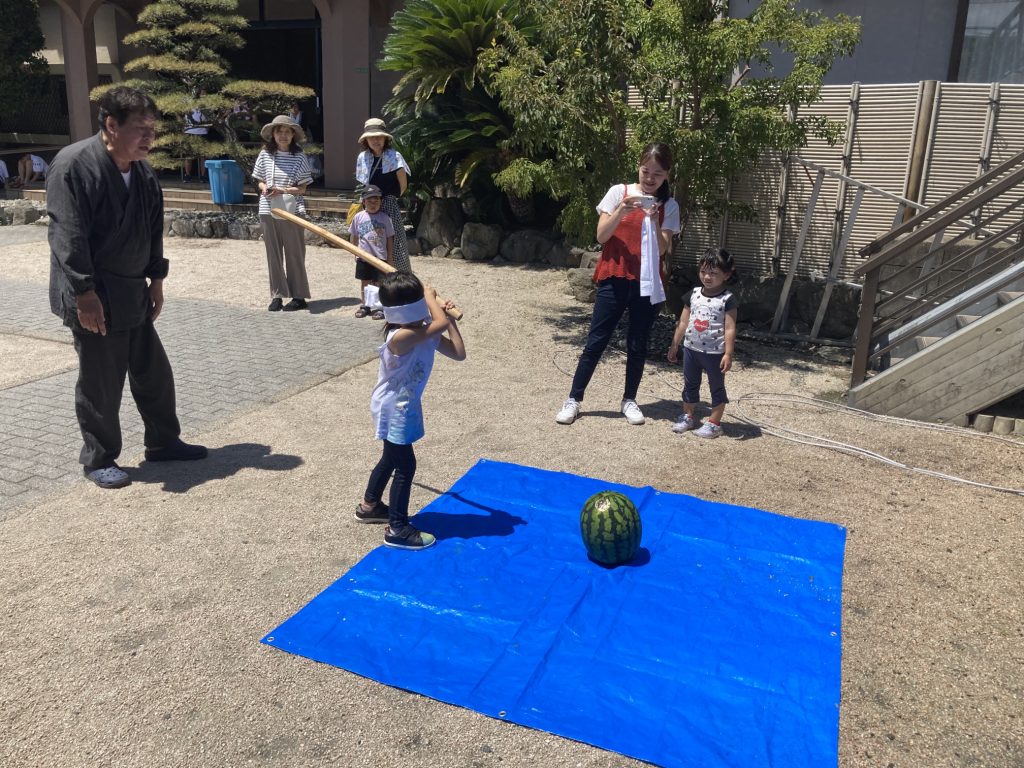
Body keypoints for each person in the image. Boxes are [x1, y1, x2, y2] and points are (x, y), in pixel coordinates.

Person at [47, 86, 207, 490]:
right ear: (111, 125)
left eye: (153, 128)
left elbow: (153, 229)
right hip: (94, 295)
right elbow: (68, 236)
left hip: (133, 290)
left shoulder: (143, 170)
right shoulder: (74, 166)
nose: (150, 137)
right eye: (141, 128)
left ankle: (163, 441)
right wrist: (83, 293)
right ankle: (99, 458)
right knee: (102, 380)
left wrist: (157, 279)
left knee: (153, 373)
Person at [555, 142, 681, 426]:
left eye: (657, 174)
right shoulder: (618, 193)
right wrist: (623, 211)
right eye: (645, 171)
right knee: (596, 340)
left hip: (647, 283)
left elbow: (662, 249)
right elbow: (601, 236)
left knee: (638, 342)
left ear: (667, 175)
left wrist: (653, 219)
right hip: (615, 275)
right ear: (638, 166)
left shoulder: (668, 205)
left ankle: (630, 400)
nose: (650, 178)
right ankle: (574, 398)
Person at [355, 272, 466, 550]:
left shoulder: (425, 331)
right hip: (393, 408)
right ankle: (397, 528)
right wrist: (432, 297)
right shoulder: (400, 336)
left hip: (405, 406)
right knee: (405, 465)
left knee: (391, 459)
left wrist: (448, 319)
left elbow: (458, 352)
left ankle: (369, 506)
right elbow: (435, 323)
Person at [667, 247, 738, 439]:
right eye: (704, 271)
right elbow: (683, 321)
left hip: (715, 353)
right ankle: (687, 416)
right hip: (691, 349)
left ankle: (714, 423)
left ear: (726, 275)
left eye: (713, 273)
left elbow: (730, 328)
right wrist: (675, 344)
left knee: (716, 386)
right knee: (690, 384)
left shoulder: (727, 299)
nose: (707, 277)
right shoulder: (694, 293)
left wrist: (728, 354)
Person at [252, 114, 314, 312]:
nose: (283, 136)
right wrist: (264, 188)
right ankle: (277, 294)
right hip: (267, 208)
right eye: (280, 132)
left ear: (293, 135)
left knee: (295, 253)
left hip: (292, 209)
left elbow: (303, 188)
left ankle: (299, 295)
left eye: (287, 132)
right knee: (273, 254)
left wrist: (283, 190)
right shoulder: (265, 155)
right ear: (273, 134)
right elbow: (259, 179)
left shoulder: (299, 156)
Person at [355, 118, 412, 273]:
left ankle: (399, 276)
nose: (375, 140)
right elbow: (363, 184)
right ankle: (374, 278)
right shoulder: (363, 157)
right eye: (371, 137)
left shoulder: (394, 156)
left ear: (385, 138)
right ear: (366, 139)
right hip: (369, 206)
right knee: (372, 241)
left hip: (388, 204)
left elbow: (403, 184)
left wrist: (390, 199)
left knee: (395, 242)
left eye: (379, 136)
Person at [350, 184, 394, 320]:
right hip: (364, 257)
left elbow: (389, 239)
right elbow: (354, 236)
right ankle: (365, 305)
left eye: (376, 201)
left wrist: (390, 257)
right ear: (364, 202)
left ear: (380, 202)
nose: (373, 204)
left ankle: (380, 307)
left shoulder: (385, 218)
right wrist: (355, 251)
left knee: (379, 283)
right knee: (365, 282)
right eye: (369, 201)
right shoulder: (358, 217)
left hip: (380, 257)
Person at [182, 107, 209, 183]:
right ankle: (187, 175)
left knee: (203, 156)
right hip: (189, 132)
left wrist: (206, 129)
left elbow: (209, 120)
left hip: (202, 132)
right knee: (188, 155)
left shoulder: (205, 107)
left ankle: (203, 176)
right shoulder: (188, 106)